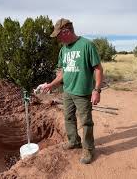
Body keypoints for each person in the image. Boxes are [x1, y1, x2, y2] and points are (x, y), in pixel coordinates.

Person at [42, 18, 104, 164]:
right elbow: (62, 73)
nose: (57, 39)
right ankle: (74, 141)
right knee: (68, 118)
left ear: (66, 31)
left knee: (86, 122)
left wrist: (97, 90)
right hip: (68, 91)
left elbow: (98, 69)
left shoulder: (87, 45)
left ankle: (89, 149)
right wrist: (51, 85)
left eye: (58, 35)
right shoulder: (63, 50)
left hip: (83, 92)